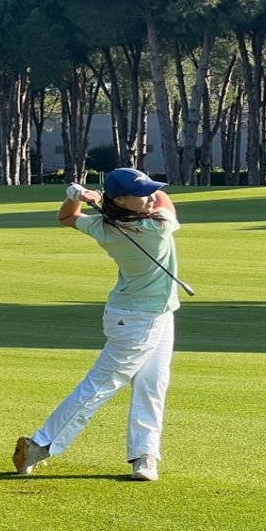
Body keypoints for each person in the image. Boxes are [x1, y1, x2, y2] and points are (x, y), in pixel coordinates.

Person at [13, 168, 182, 482]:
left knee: (152, 386)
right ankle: (41, 444)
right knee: (101, 386)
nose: (149, 196)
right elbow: (164, 200)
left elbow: (66, 218)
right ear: (120, 199)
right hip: (139, 321)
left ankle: (144, 457)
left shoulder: (102, 225)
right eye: (141, 192)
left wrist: (75, 197)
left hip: (148, 314)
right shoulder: (156, 226)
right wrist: (98, 197)